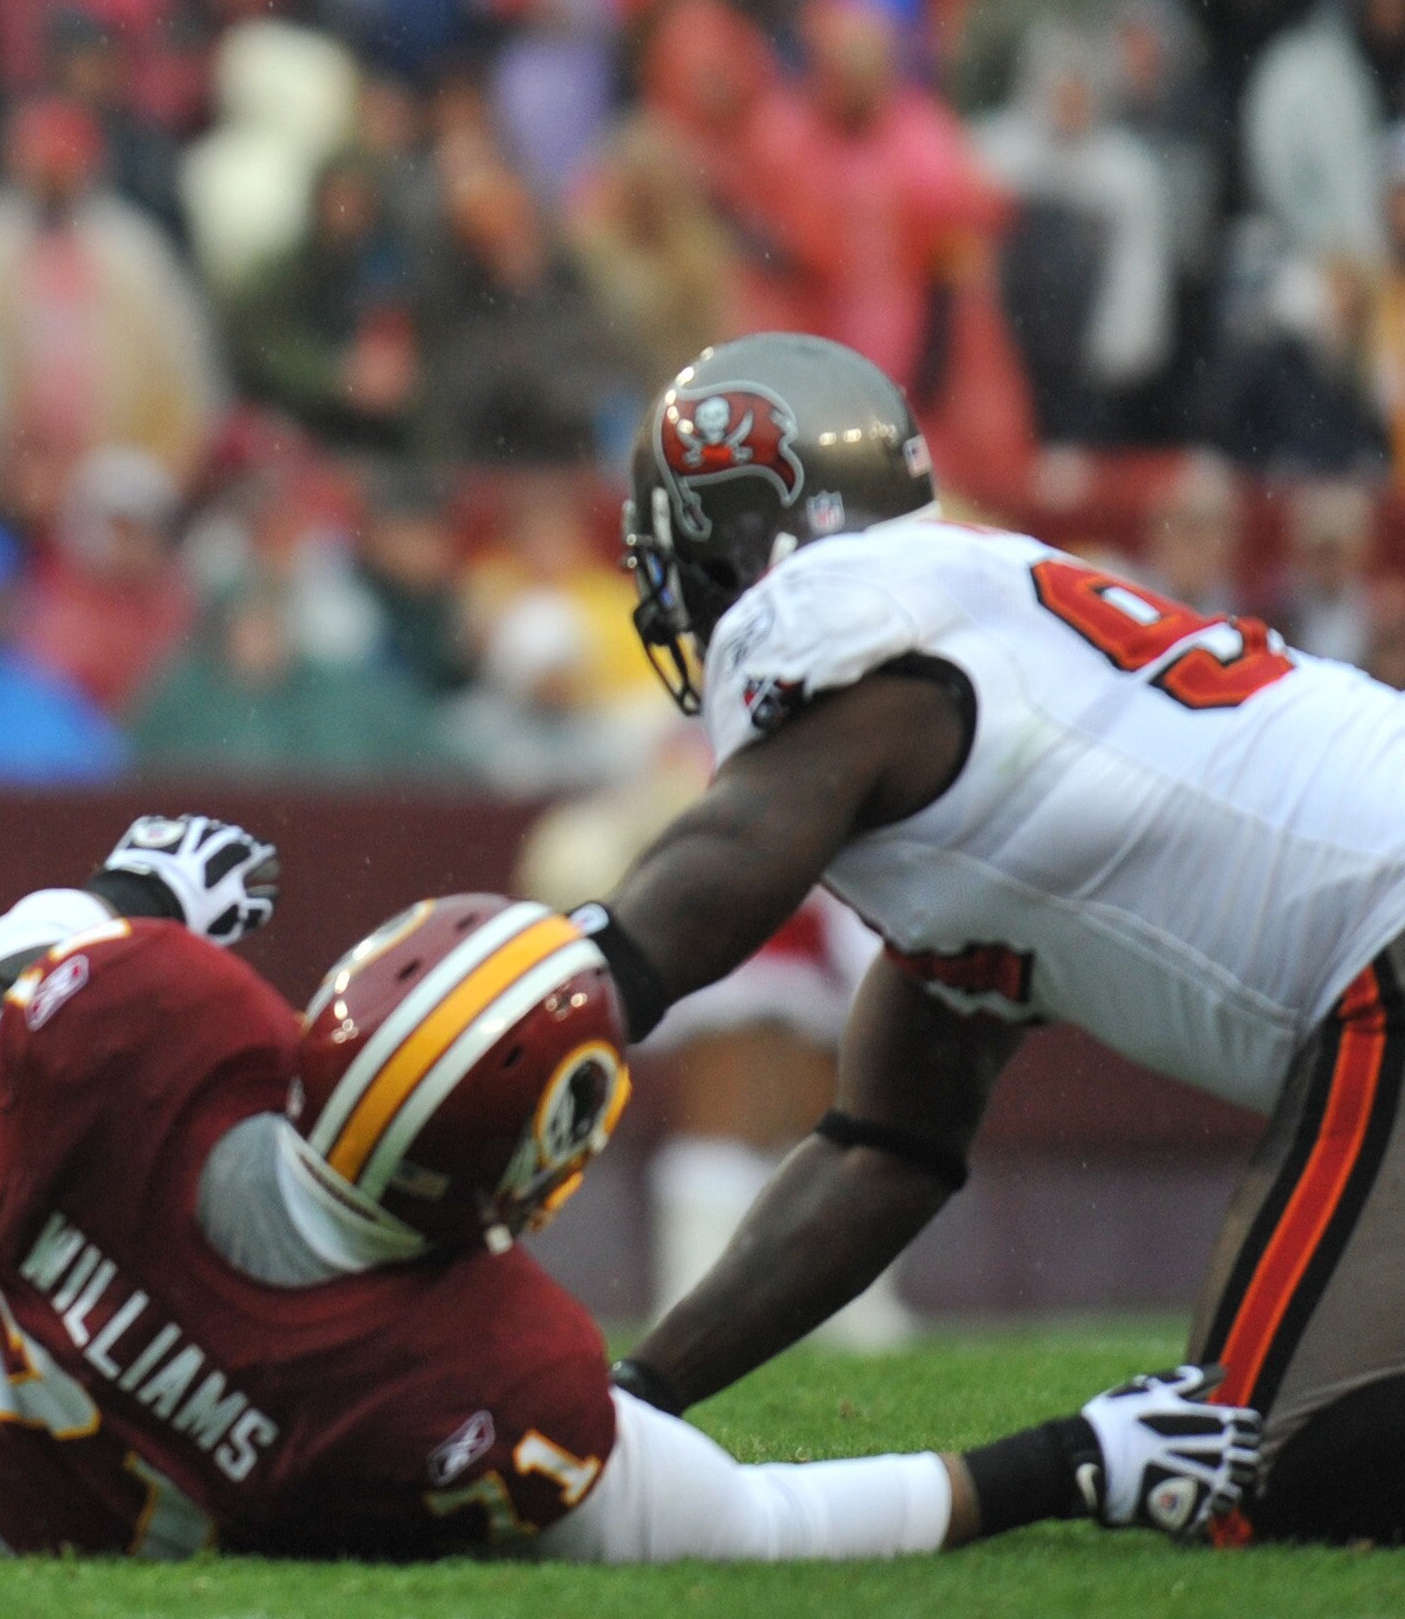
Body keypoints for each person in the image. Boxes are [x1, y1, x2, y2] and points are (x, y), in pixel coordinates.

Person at [0, 822, 1261, 1560]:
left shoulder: (171, 1020)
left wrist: (144, 898)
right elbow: (751, 1525)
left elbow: (6, 961)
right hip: (129, 1539)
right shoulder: (501, 1358)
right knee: (21, 1096)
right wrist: (1075, 1460)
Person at [579, 332, 1405, 1544]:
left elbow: (694, 893)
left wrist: (524, 1006)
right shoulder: (981, 724)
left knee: (1250, 1469)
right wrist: (631, 1406)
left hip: (1380, 926)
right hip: (1373, 915)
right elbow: (881, 1155)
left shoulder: (832, 629)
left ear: (745, 551)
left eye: (684, 566)